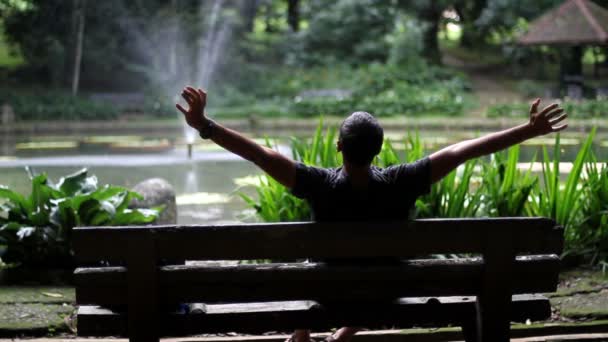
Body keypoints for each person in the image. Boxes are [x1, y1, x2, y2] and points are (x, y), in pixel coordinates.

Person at [176, 86, 568, 342]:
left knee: (316, 301)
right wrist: (527, 131)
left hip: (329, 294)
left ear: (338, 147)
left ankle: (315, 333)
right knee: (364, 290)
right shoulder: (403, 181)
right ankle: (346, 330)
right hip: (386, 293)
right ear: (378, 151)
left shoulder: (318, 184)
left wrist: (204, 125)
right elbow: (463, 151)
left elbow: (261, 155)